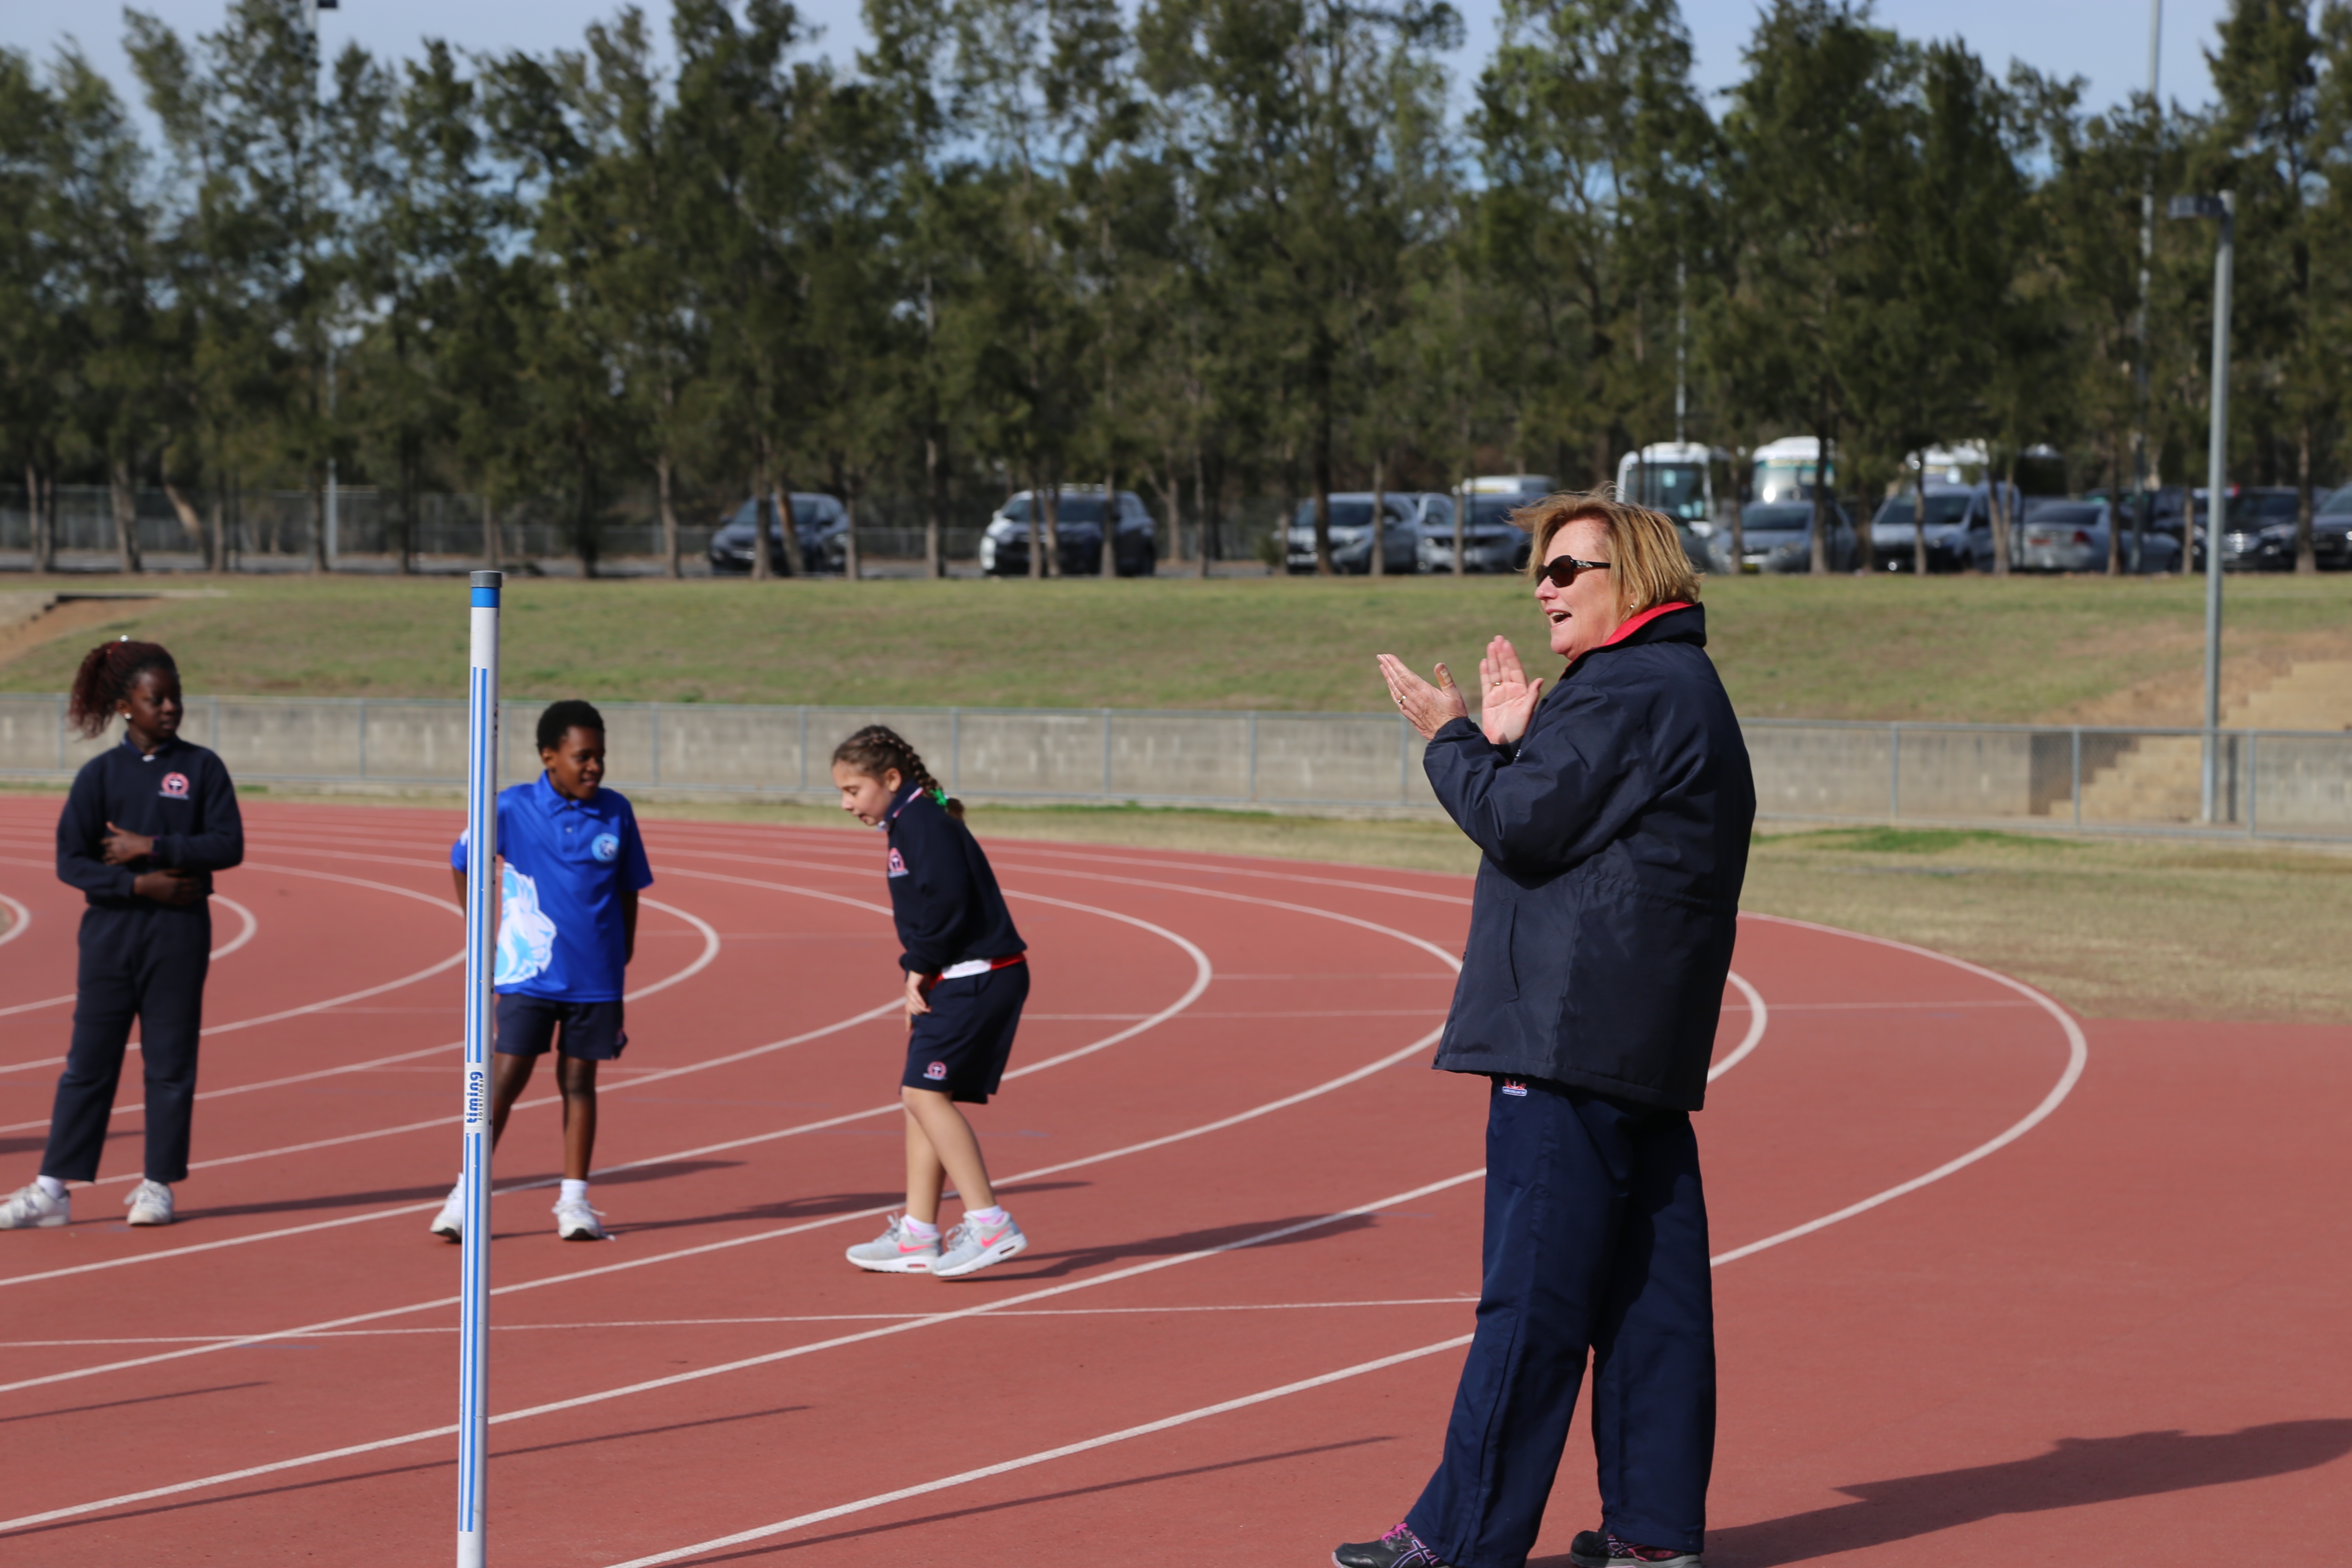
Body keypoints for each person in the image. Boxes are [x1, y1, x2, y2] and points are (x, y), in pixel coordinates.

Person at [1344, 493, 1755, 1568]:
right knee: (1649, 1304)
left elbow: (1522, 826)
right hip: (1640, 1048)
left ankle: (1460, 1540)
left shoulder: (1627, 687)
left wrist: (1449, 745)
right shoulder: (1670, 687)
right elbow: (1572, 814)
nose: (1546, 586)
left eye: (1570, 568)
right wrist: (1512, 743)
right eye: (1541, 569)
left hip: (1568, 1043)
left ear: (1640, 578)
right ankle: (1654, 1535)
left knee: (1529, 1299)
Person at [2, 640, 244, 1231]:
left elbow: (228, 845)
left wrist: (152, 848)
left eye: (175, 698)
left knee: (169, 1064)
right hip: (111, 936)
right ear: (124, 707)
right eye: (155, 699)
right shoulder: (99, 776)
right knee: (89, 1063)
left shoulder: (202, 768)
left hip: (180, 936)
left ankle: (157, 1186)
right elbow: (70, 861)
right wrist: (138, 886)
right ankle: (54, 1188)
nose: (169, 709)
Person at [437, 699, 652, 1243]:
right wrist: (480, 934)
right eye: (583, 757)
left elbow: (628, 891)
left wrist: (621, 955)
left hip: (596, 980)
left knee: (579, 1083)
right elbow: (463, 861)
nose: (594, 768)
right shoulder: (511, 808)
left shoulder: (616, 812)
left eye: (600, 757)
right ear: (549, 757)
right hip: (529, 974)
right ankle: (467, 1194)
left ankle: (574, 1202)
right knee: (504, 1080)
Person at [830, 725, 1032, 1280]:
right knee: (919, 1095)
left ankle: (990, 1223)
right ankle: (919, 1234)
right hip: (959, 976)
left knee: (924, 1093)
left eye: (853, 791)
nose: (846, 805)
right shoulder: (911, 819)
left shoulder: (923, 824)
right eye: (842, 793)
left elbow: (946, 904)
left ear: (890, 780)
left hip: (978, 976)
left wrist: (917, 968)